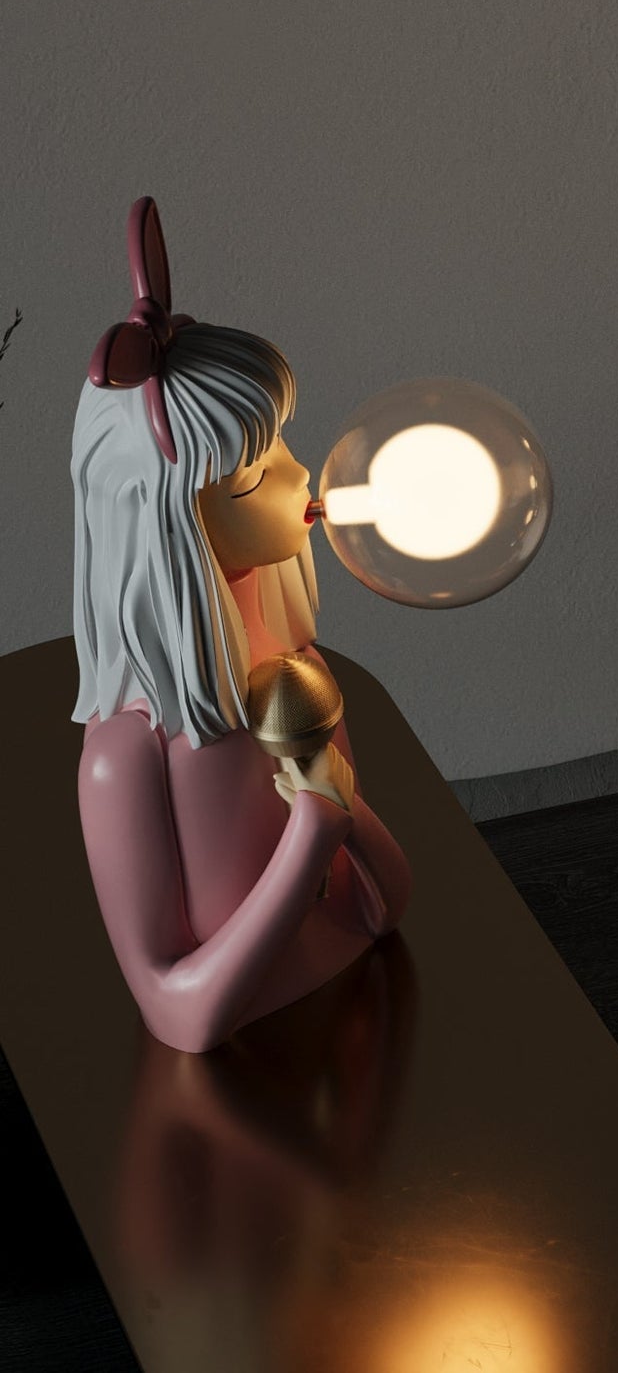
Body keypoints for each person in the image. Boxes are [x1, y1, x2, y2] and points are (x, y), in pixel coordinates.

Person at [73, 199, 411, 1054]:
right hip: (247, 1091)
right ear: (170, 523)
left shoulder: (289, 661)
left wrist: (340, 815)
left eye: (283, 444)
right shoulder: (124, 761)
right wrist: (310, 836)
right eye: (253, 477)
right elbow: (177, 1016)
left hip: (357, 1036)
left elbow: (382, 910)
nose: (303, 481)